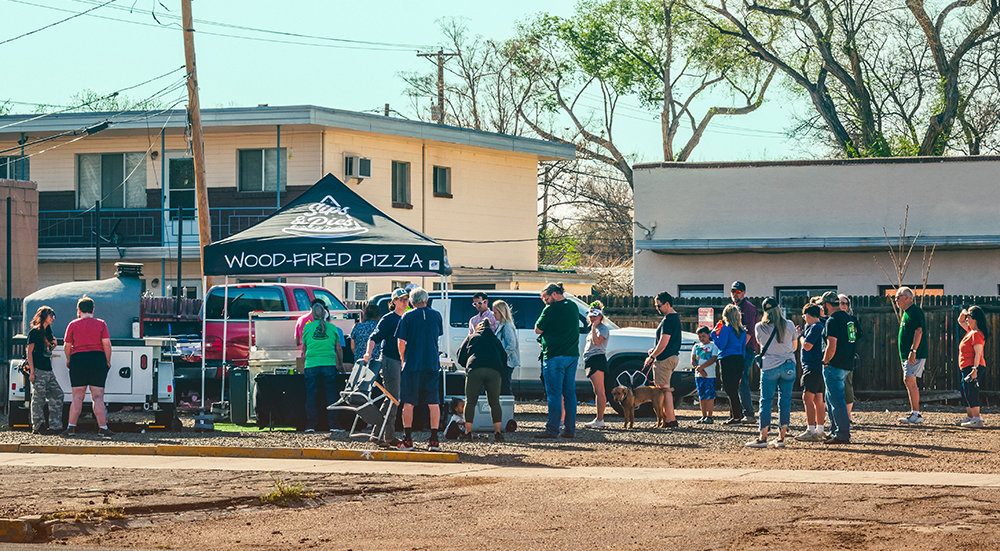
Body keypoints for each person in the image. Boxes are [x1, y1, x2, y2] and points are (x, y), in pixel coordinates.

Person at [395, 287, 444, 452]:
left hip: (412, 364)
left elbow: (401, 342)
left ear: (411, 301)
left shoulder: (407, 316)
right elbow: (437, 336)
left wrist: (403, 359)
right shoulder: (436, 315)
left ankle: (408, 440)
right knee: (433, 402)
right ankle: (434, 439)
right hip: (431, 363)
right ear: (426, 299)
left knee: (408, 402)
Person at [746, 297, 798, 448]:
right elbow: (794, 347)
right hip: (788, 365)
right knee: (785, 401)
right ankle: (781, 437)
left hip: (769, 367)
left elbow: (762, 345)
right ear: (778, 308)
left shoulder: (759, 327)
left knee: (766, 401)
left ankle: (762, 437)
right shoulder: (789, 324)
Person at [533, 282, 580, 439]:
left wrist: (546, 310)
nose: (545, 301)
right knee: (570, 394)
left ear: (553, 294)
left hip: (554, 355)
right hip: (572, 355)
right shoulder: (573, 306)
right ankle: (570, 429)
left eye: (545, 298)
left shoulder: (550, 309)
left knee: (554, 394)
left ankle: (552, 429)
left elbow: (538, 329)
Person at [63, 296, 114, 437]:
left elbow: (67, 346)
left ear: (79, 310)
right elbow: (107, 344)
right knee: (98, 397)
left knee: (77, 397)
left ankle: (71, 428)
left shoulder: (73, 324)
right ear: (93, 309)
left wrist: (69, 360)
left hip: (78, 359)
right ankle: (102, 428)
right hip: (97, 359)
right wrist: (107, 361)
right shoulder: (101, 324)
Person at [364, 288, 408, 447]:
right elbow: (373, 337)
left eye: (406, 299)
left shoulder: (406, 317)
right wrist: (368, 353)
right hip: (390, 360)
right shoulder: (389, 318)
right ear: (394, 302)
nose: (405, 302)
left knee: (392, 399)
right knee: (392, 399)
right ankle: (382, 435)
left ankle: (382, 435)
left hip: (401, 361)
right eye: (401, 299)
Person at [457, 319, 507, 442]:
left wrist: (468, 365)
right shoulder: (496, 340)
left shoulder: (472, 337)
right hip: (494, 370)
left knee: (470, 402)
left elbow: (460, 355)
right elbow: (504, 358)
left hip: (475, 369)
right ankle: (498, 433)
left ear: (477, 327)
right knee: (494, 402)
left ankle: (468, 432)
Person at [300, 301, 343, 433]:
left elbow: (304, 348)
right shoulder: (332, 328)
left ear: (312, 314)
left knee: (311, 395)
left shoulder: (307, 328)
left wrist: (303, 363)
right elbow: (339, 349)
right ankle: (334, 425)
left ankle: (310, 425)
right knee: (331, 395)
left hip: (311, 365)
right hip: (329, 364)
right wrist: (340, 364)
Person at [821, 291, 857, 444]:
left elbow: (832, 345)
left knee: (836, 399)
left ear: (827, 305)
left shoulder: (832, 320)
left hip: (834, 364)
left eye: (823, 305)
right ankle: (835, 430)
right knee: (832, 399)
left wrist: (825, 361)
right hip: (847, 364)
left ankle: (842, 434)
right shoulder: (849, 319)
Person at [645, 291, 681, 428]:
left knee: (663, 390)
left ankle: (669, 419)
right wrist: (654, 351)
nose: (657, 309)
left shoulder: (668, 320)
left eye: (659, 306)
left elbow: (664, 342)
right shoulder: (674, 318)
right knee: (664, 389)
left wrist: (652, 356)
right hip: (671, 356)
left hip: (664, 359)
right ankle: (669, 418)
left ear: (667, 304)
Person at [27, 305, 63, 435]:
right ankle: (38, 425)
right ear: (43, 317)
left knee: (58, 394)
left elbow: (46, 351)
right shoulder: (35, 332)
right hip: (38, 369)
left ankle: (55, 425)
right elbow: (29, 352)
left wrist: (53, 345)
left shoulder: (48, 332)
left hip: (48, 369)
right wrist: (32, 371)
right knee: (38, 398)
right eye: (50, 315)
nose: (52, 318)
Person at [794, 303, 827, 442]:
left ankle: (810, 430)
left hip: (811, 367)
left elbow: (807, 346)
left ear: (807, 315)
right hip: (819, 367)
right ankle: (820, 429)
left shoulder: (814, 328)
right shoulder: (821, 326)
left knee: (807, 398)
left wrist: (800, 336)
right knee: (818, 399)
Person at [711, 303, 748, 425]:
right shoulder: (742, 330)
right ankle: (736, 414)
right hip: (739, 359)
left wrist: (713, 335)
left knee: (729, 388)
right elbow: (743, 348)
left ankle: (736, 416)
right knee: (734, 388)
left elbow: (721, 345)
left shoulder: (726, 329)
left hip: (727, 359)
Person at [894, 287, 927, 424]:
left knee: (910, 382)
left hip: (915, 354)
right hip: (907, 355)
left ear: (907, 297)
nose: (896, 300)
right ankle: (914, 412)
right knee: (908, 381)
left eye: (898, 297)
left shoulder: (915, 311)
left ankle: (916, 414)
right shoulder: (906, 313)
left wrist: (913, 351)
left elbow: (918, 331)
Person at [955, 306, 989, 428]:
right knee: (965, 391)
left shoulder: (976, 334)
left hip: (973, 366)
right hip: (966, 366)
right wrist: (964, 312)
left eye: (969, 317)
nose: (967, 319)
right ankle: (970, 417)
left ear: (975, 319)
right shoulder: (970, 331)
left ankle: (977, 419)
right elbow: (960, 320)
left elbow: (978, 353)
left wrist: (974, 370)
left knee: (971, 390)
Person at [731, 281, 759, 424]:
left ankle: (749, 414)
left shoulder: (747, 308)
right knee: (735, 381)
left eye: (737, 292)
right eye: (733, 291)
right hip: (738, 349)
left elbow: (749, 332)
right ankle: (737, 414)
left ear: (744, 292)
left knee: (742, 381)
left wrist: (739, 350)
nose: (735, 294)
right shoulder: (734, 308)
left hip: (746, 350)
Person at [583, 301, 610, 429]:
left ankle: (600, 419)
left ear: (600, 316)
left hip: (597, 359)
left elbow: (597, 342)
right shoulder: (593, 329)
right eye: (590, 315)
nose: (592, 318)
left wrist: (594, 327)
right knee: (596, 390)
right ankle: (599, 418)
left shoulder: (602, 328)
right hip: (590, 359)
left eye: (595, 315)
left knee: (600, 391)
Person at [691, 326, 719, 424]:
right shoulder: (696, 346)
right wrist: (698, 369)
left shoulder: (713, 346)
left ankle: (710, 416)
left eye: (703, 336)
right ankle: (703, 415)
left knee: (709, 396)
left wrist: (702, 367)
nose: (702, 339)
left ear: (708, 335)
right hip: (699, 375)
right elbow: (693, 360)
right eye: (700, 337)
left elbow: (713, 359)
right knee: (701, 396)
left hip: (709, 375)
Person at [492, 300, 519, 396]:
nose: (493, 315)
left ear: (501, 312)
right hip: (503, 361)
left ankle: (507, 409)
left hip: (506, 362)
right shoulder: (500, 325)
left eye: (495, 312)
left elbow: (511, 345)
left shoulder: (507, 326)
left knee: (505, 387)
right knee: (503, 386)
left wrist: (502, 357)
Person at [838, 294, 858, 419]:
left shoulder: (851, 320)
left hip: (847, 357)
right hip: (833, 357)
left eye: (845, 303)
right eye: (840, 303)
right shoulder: (831, 319)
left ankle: (848, 415)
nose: (843, 306)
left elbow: (856, 336)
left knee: (847, 385)